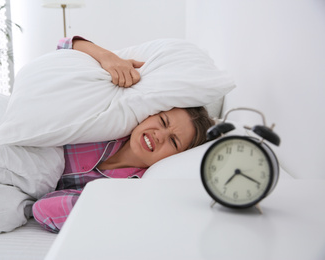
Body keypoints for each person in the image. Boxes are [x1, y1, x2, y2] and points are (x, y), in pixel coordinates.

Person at [32, 37, 215, 233]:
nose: (159, 135)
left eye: (173, 141)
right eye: (162, 121)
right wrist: (108, 58)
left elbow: (43, 209)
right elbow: (63, 47)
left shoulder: (130, 189)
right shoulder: (107, 118)